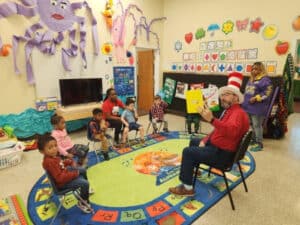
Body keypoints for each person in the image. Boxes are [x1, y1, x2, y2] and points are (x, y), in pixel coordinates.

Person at [168, 72, 250, 196]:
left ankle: (187, 188)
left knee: (187, 152)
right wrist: (205, 140)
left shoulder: (238, 113)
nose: (222, 98)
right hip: (218, 146)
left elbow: (231, 131)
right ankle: (193, 169)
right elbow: (219, 130)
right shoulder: (231, 111)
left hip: (222, 155)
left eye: (226, 95)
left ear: (236, 98)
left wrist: (212, 120)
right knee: (194, 141)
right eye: (222, 94)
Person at [38, 134, 93, 213]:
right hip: (62, 184)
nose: (54, 149)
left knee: (82, 170)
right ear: (42, 151)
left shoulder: (52, 156)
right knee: (84, 183)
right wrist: (75, 174)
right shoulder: (49, 162)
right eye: (50, 147)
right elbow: (60, 178)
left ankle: (85, 190)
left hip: (64, 174)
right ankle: (83, 202)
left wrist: (69, 162)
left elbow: (61, 164)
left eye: (55, 146)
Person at [242, 62, 273, 152]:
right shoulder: (251, 79)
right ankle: (254, 140)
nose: (254, 71)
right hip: (248, 107)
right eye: (253, 69)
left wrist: (256, 98)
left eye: (256, 69)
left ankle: (259, 143)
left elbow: (267, 93)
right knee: (251, 124)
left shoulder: (265, 80)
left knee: (257, 125)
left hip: (258, 108)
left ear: (261, 70)